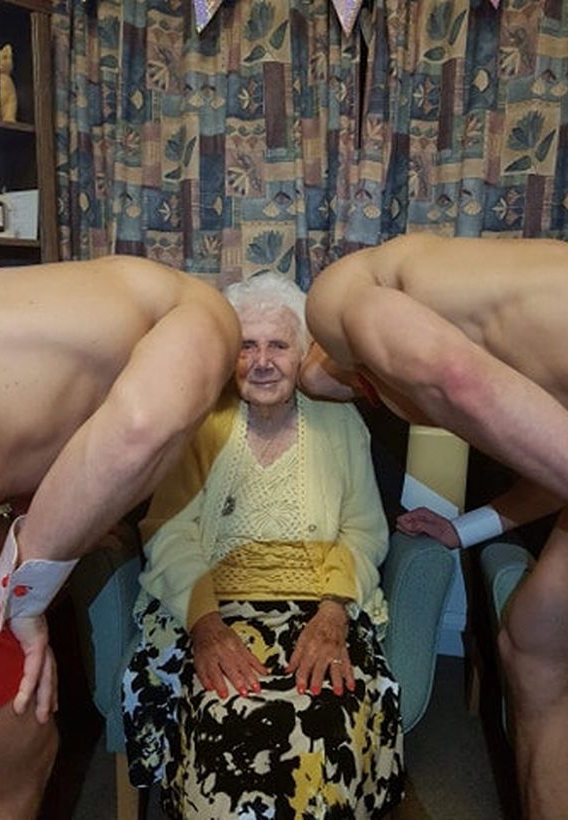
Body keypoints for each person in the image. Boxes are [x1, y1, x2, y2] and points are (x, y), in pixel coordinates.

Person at [302, 232, 568, 820]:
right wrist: (464, 530)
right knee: (538, 649)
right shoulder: (505, 325)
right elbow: (567, 468)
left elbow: (452, 378)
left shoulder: (344, 291)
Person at [122, 272, 404, 819]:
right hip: (212, 608)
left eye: (278, 345)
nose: (263, 361)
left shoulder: (340, 423)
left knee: (328, 711)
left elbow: (364, 529)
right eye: (247, 346)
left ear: (301, 356)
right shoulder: (199, 422)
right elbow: (169, 531)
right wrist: (206, 627)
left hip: (322, 606)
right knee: (224, 708)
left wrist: (333, 614)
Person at [0, 254, 241, 819]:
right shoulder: (209, 315)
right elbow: (140, 428)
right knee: (20, 761)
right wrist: (26, 596)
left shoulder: (98, 296)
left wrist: (53, 522)